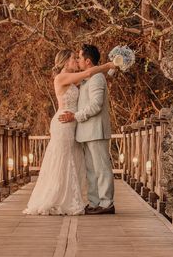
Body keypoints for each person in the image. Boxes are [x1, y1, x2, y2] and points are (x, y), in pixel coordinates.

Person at [23, 49, 115, 215]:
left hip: (74, 123)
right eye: (74, 58)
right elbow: (89, 72)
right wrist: (108, 65)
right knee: (63, 160)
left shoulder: (74, 81)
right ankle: (57, 198)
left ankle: (71, 198)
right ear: (65, 62)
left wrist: (112, 69)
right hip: (64, 123)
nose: (76, 61)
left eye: (77, 58)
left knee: (73, 161)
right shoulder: (62, 77)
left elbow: (93, 80)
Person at [59, 44, 115, 215]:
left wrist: (75, 116)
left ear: (88, 61)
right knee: (91, 170)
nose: (78, 60)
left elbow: (96, 105)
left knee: (102, 168)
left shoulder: (97, 78)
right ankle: (94, 202)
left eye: (80, 58)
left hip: (96, 130)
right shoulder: (85, 79)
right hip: (86, 131)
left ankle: (107, 204)